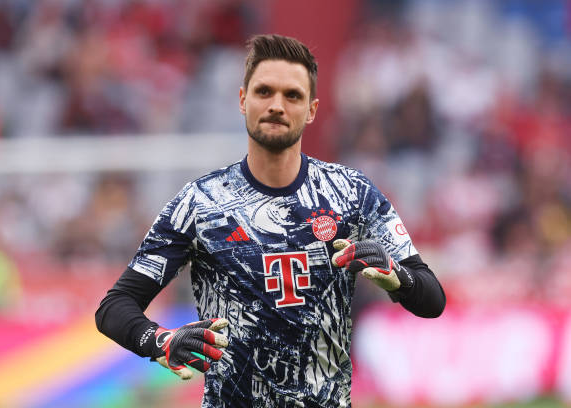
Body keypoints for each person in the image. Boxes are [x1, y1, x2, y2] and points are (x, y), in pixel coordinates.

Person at [95, 34, 445, 408]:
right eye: (264, 92)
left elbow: (432, 298)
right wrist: (160, 341)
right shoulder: (200, 202)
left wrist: (398, 275)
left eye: (292, 95)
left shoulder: (352, 193)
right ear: (243, 100)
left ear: (311, 110)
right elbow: (115, 306)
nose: (277, 105)